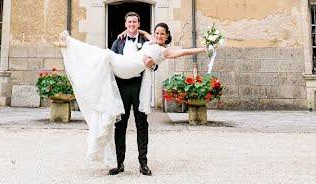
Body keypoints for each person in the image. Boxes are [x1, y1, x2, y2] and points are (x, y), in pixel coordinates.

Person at [57, 17, 206, 175]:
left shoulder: (160, 48)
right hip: (121, 82)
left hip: (138, 86)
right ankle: (119, 163)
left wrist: (202, 50)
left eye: (162, 34)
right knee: (120, 125)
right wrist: (135, 32)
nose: (159, 35)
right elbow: (142, 37)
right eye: (157, 32)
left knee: (142, 126)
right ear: (126, 24)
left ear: (167, 36)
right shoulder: (122, 41)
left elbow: (179, 53)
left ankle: (143, 164)